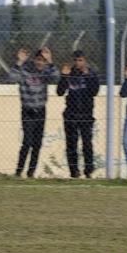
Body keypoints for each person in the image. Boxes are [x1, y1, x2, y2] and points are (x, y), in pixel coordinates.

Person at [7, 46, 60, 178]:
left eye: (43, 60)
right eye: (38, 59)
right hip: (28, 110)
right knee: (27, 142)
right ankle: (18, 171)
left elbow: (56, 78)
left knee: (37, 144)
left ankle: (31, 172)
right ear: (34, 59)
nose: (40, 62)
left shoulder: (46, 71)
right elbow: (11, 78)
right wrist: (19, 62)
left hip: (41, 110)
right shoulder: (25, 70)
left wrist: (51, 61)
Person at [57, 50, 100, 178]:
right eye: (75, 60)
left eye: (80, 60)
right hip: (71, 114)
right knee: (71, 144)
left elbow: (94, 91)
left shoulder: (91, 74)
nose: (77, 63)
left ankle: (88, 169)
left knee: (87, 143)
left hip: (86, 114)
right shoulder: (69, 74)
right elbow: (60, 92)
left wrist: (87, 76)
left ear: (85, 61)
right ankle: (74, 171)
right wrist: (64, 76)